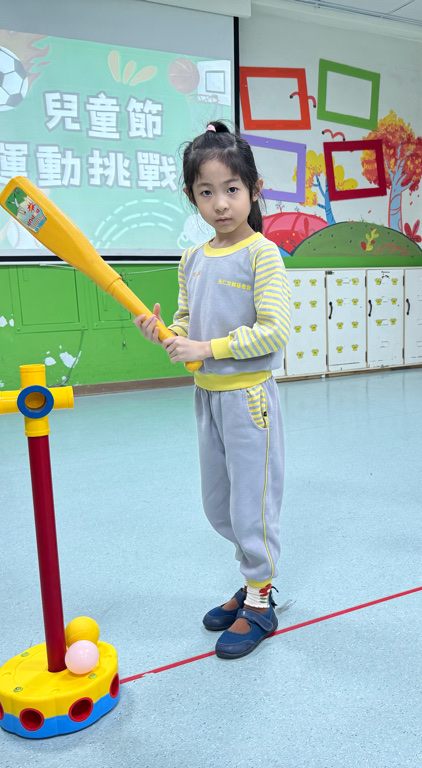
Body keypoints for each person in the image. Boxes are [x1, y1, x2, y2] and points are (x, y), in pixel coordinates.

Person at [134, 121, 291, 657]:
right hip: (207, 397)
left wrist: (206, 347)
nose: (220, 203)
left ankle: (260, 600)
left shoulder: (262, 254)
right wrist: (166, 332)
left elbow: (274, 332)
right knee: (218, 505)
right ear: (191, 196)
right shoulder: (193, 259)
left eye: (231, 189)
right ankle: (252, 579)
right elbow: (186, 322)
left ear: (253, 189)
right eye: (206, 192)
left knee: (252, 507)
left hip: (249, 400)